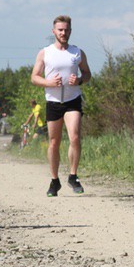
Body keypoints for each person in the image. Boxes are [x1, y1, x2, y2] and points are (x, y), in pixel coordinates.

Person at [30, 15, 91, 196]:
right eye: (60, 30)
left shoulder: (77, 52)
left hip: (73, 100)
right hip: (53, 102)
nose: (63, 33)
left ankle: (73, 176)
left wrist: (79, 80)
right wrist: (48, 83)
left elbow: (87, 73)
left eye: (66, 30)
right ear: (54, 31)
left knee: (75, 137)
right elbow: (34, 77)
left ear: (70, 31)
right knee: (54, 142)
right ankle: (54, 180)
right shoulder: (45, 52)